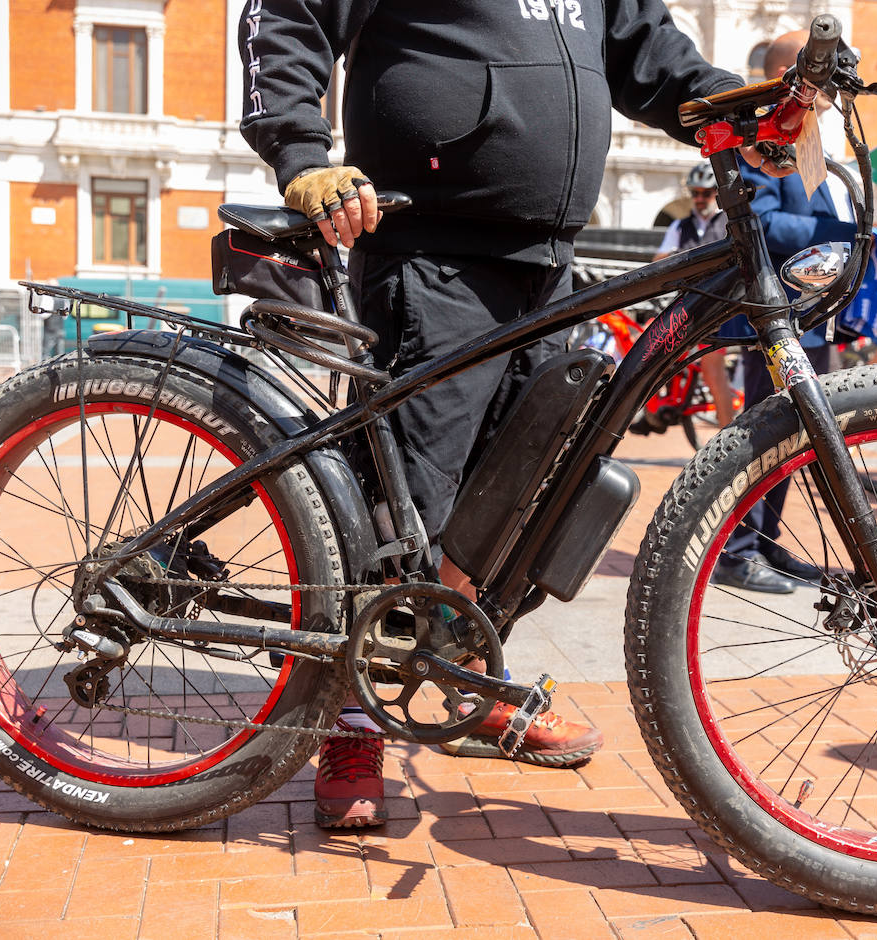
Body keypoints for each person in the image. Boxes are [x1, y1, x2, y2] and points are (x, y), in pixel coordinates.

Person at [239, 0, 782, 828]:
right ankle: (348, 721)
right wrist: (298, 150)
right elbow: (288, 12)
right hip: (431, 252)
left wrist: (739, 104)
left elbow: (647, 52)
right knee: (404, 509)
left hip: (549, 262)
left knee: (514, 507)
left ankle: (458, 676)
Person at [709, 31, 858, 595]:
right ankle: (737, 550)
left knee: (791, 435)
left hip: (807, 309)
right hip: (771, 312)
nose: (831, 90)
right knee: (765, 431)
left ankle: (764, 543)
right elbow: (760, 223)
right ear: (787, 74)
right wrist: (844, 234)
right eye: (823, 78)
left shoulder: (813, 139)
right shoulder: (759, 139)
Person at [656, 164, 736, 426]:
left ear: (716, 193)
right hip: (685, 306)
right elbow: (658, 261)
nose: (700, 199)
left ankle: (726, 435)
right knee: (647, 351)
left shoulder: (729, 222)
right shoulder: (680, 226)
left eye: (706, 193)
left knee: (714, 374)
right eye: (695, 193)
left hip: (717, 309)